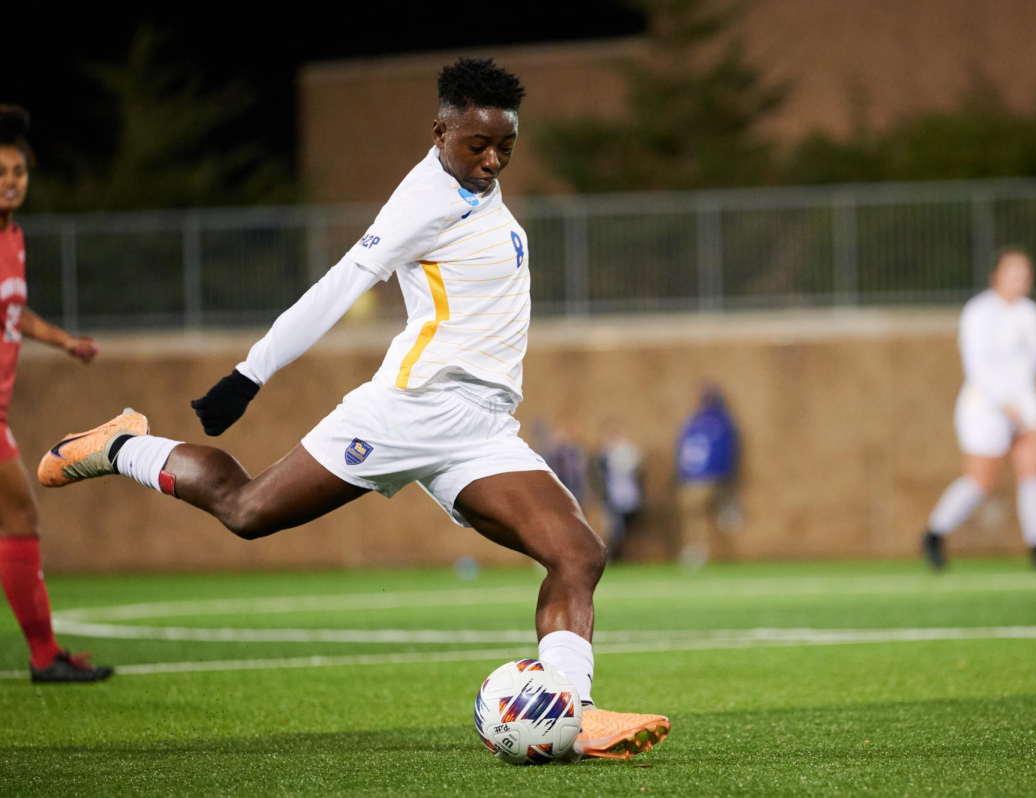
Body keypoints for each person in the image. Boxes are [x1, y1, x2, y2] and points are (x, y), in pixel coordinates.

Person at [36, 59, 667, 758]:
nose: (490, 161)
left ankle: (573, 717)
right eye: (476, 146)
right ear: (440, 131)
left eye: (504, 148)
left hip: (482, 429)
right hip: (407, 412)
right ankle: (123, 445)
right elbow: (342, 283)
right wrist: (251, 373)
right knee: (246, 512)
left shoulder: (479, 189)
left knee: (578, 553)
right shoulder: (422, 199)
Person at [0, 106, 110, 682]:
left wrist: (65, 341)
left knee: (19, 518)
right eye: (0, 170)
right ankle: (44, 657)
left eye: (18, 170)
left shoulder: (12, 238)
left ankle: (46, 655)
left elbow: (14, 312)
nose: (11, 179)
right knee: (19, 517)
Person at [923, 247, 1036, 571]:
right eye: (1013, 272)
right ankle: (934, 534)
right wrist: (1004, 403)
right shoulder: (979, 311)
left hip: (1025, 403)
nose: (1020, 280)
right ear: (996, 276)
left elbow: (1034, 366)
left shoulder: (1029, 312)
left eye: (1025, 274)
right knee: (980, 481)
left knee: (1034, 473)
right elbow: (977, 365)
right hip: (986, 407)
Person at [675, 384, 740, 567]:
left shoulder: (700, 422)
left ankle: (698, 551)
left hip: (702, 478)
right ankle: (700, 551)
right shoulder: (721, 421)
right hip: (701, 478)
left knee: (698, 515)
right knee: (698, 515)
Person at [595, 418, 644, 562]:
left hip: (629, 496)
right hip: (611, 497)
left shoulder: (631, 450)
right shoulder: (604, 452)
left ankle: (622, 557)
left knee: (626, 529)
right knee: (614, 529)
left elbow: (638, 471)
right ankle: (611, 557)